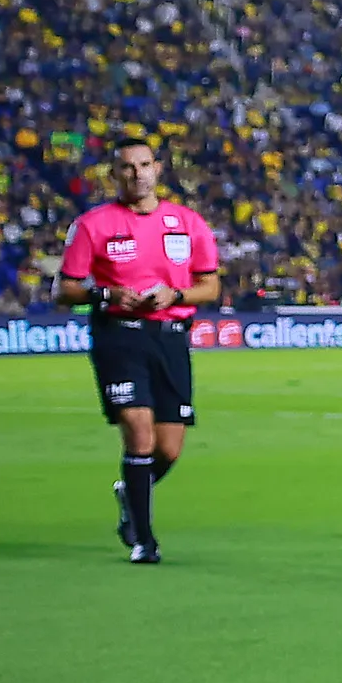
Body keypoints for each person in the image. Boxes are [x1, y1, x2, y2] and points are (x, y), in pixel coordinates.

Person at [60, 137, 219, 564]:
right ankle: (144, 541)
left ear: (158, 169)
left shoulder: (187, 222)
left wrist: (177, 294)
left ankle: (130, 491)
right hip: (119, 335)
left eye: (144, 164)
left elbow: (211, 284)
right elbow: (67, 288)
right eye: (128, 167)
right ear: (116, 175)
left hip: (169, 337)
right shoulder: (93, 225)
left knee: (168, 449)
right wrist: (105, 293)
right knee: (139, 431)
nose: (137, 174)